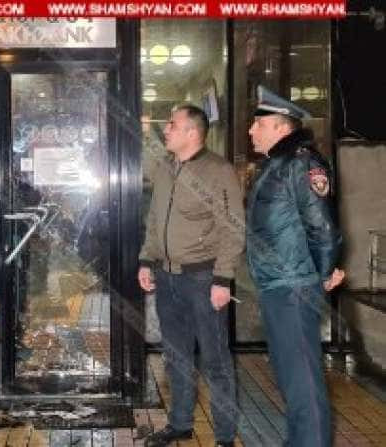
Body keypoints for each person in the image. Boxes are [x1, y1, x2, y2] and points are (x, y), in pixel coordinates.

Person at [138, 105, 244, 447]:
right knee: (176, 357)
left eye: (173, 124)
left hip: (203, 279)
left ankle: (224, 437)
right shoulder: (166, 167)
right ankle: (180, 423)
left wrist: (223, 279)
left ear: (192, 133)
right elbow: (154, 219)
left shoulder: (218, 171)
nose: (166, 129)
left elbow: (233, 229)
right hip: (166, 277)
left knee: (215, 361)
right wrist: (146, 260)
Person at [246, 86, 344, 447]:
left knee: (302, 380)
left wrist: (323, 274)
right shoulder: (276, 165)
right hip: (279, 284)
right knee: (290, 376)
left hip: (294, 286)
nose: (251, 130)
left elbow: (323, 227)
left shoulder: (302, 164)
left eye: (259, 124)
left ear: (281, 127)